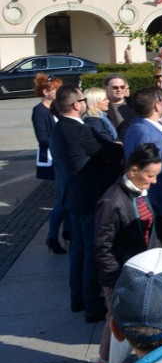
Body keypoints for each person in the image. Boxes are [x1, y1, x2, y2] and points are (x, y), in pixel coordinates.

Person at [50, 85, 124, 322]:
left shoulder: (59, 127)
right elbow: (106, 151)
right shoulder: (78, 129)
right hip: (88, 196)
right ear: (76, 105)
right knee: (92, 250)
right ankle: (93, 305)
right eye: (82, 100)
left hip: (73, 195)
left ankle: (78, 298)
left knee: (79, 250)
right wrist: (119, 147)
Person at [93, 143, 161, 363]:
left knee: (127, 318)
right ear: (133, 170)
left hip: (140, 269)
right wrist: (114, 279)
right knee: (116, 319)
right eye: (150, 175)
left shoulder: (138, 191)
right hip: (121, 274)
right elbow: (102, 247)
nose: (153, 181)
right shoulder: (111, 202)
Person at [123, 88, 162, 255]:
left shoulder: (138, 125)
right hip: (160, 210)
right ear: (157, 106)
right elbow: (148, 176)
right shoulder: (147, 135)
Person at [32, 73, 66, 254]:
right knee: (62, 198)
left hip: (61, 156)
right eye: (56, 89)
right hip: (54, 159)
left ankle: (63, 233)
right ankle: (53, 236)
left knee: (65, 197)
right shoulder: (39, 110)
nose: (59, 92)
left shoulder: (57, 107)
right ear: (46, 92)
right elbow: (42, 137)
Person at [104, 73, 134, 139]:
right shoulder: (103, 107)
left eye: (122, 87)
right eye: (115, 87)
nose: (119, 90)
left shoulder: (134, 103)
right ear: (106, 88)